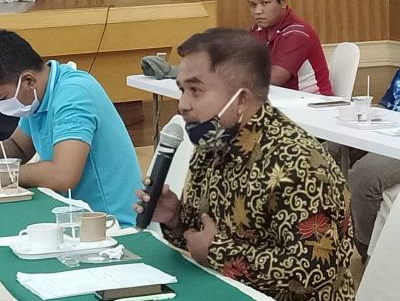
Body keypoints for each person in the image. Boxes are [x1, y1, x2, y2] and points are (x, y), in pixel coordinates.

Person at [134, 28, 354, 300]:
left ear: (241, 100)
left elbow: (312, 273)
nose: (183, 105)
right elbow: (202, 237)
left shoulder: (299, 165)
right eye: (182, 90)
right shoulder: (214, 141)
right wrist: (175, 218)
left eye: (195, 90)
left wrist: (218, 252)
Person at [0, 29, 142, 227]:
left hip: (112, 224)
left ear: (29, 81)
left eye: (3, 98)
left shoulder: (74, 95)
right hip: (72, 216)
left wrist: (6, 175)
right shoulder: (38, 96)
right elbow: (18, 146)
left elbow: (63, 175)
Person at [330, 69, 400, 262]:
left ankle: (370, 254)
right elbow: (385, 107)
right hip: (385, 132)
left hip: (395, 144)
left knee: (363, 177)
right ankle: (332, 235)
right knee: (330, 151)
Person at [247, 0, 333, 95]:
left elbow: (274, 79)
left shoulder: (298, 33)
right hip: (283, 98)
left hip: (314, 101)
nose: (258, 11)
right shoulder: (258, 28)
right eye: (253, 5)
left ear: (283, 2)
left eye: (265, 3)